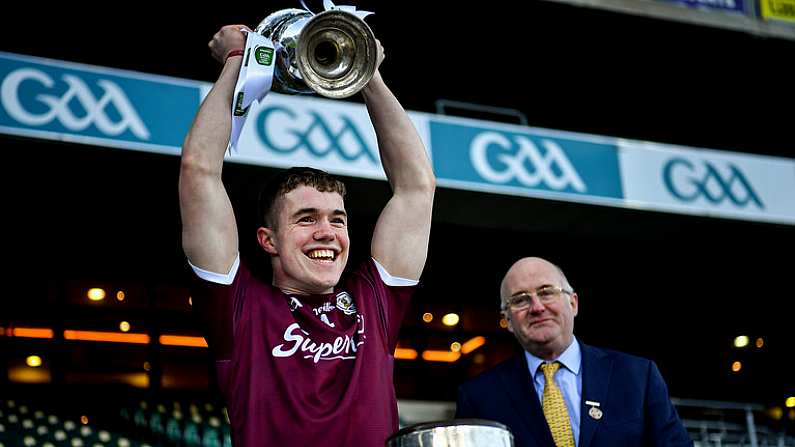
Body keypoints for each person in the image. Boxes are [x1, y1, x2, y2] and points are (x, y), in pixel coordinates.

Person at [179, 25, 435, 446]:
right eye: (306, 218)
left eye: (338, 219)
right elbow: (199, 171)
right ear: (268, 240)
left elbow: (417, 186)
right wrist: (233, 63)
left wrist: (367, 72)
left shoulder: (375, 300)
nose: (327, 233)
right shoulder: (238, 309)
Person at [456, 257, 692, 447]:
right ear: (507, 320)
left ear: (574, 303)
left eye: (547, 292)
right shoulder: (479, 397)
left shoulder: (639, 376)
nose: (537, 307)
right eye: (520, 300)